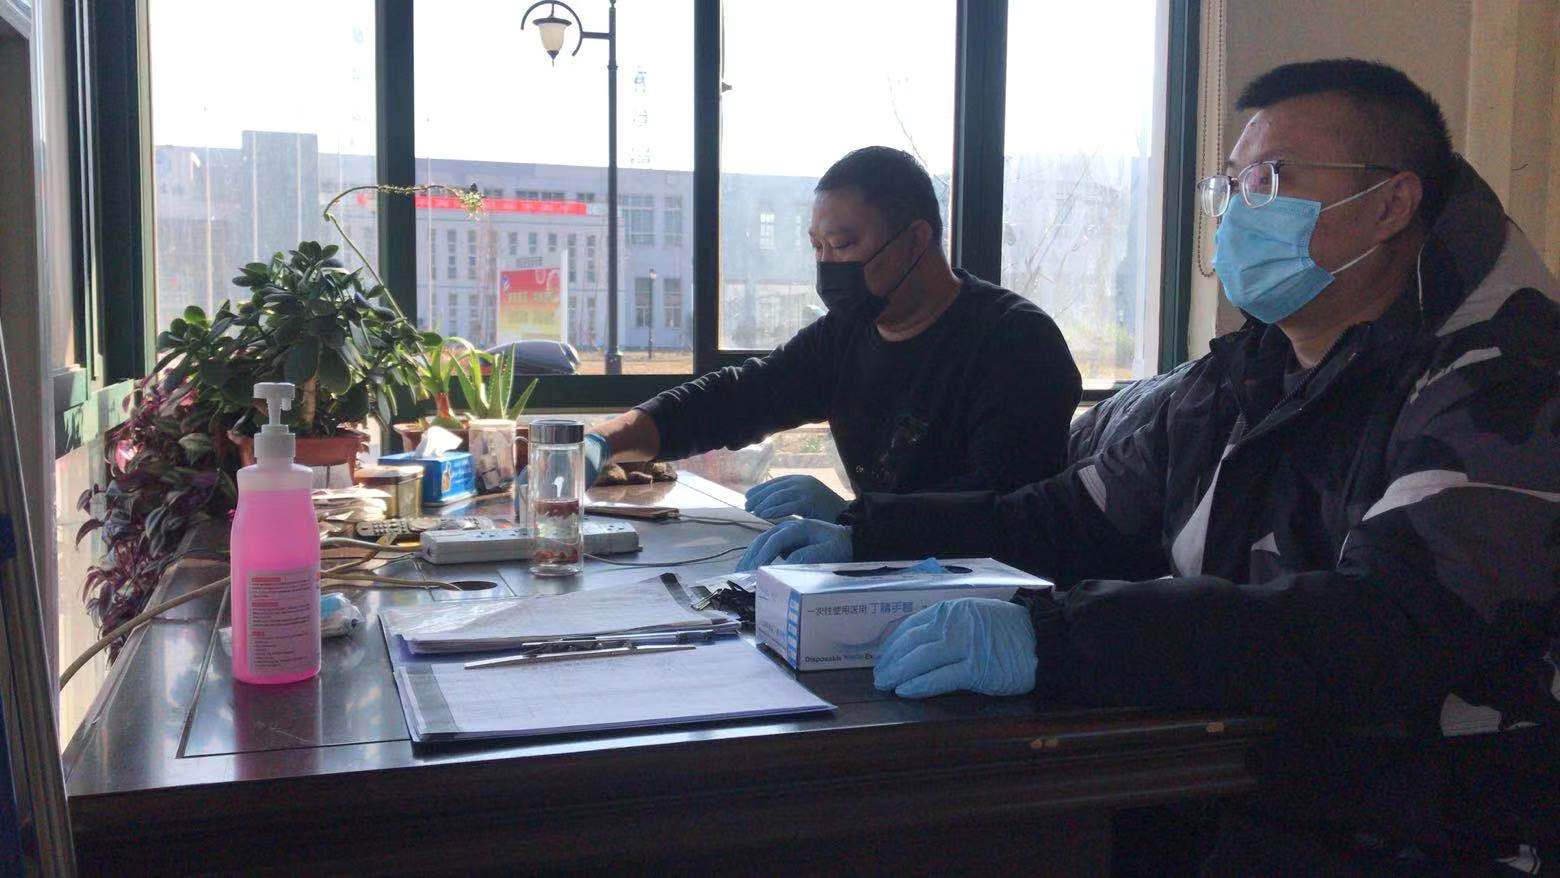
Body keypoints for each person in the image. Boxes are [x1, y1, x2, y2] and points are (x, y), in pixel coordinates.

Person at [738, 59, 1560, 871]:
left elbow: (1385, 625)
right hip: (1242, 786)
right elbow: (1071, 516)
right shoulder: (1241, 377)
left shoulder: (1507, 377)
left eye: (1271, 181)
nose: (1237, 212)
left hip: (1432, 825)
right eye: (1230, 185)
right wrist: (870, 536)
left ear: (1389, 204)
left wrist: (1065, 639)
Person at [576, 146, 1081, 525]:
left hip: (985, 601)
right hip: (879, 571)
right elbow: (740, 397)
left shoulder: (1016, 344)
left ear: (915, 241)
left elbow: (1004, 511)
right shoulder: (847, 336)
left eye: (842, 245)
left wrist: (856, 521)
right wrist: (603, 442)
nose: (827, 265)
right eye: (817, 247)